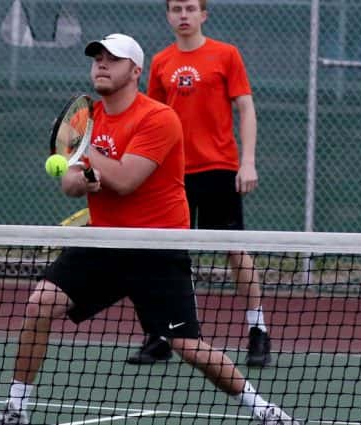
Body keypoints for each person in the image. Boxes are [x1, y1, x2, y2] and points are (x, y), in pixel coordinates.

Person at [0, 33, 299, 425]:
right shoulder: (88, 118)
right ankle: (16, 409)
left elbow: (128, 179)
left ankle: (263, 410)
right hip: (104, 240)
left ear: (135, 71)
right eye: (96, 58)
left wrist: (84, 150)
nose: (101, 64)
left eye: (111, 59)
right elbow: (70, 185)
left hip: (156, 247)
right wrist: (85, 177)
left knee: (188, 346)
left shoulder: (159, 118)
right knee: (40, 304)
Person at [128, 0, 271, 367]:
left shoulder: (227, 55)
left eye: (191, 8)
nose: (184, 15)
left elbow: (246, 107)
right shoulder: (160, 61)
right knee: (166, 255)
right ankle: (164, 333)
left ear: (204, 15)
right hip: (172, 175)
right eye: (176, 9)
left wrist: (248, 162)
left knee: (236, 252)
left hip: (220, 169)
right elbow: (152, 120)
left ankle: (258, 332)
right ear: (168, 16)